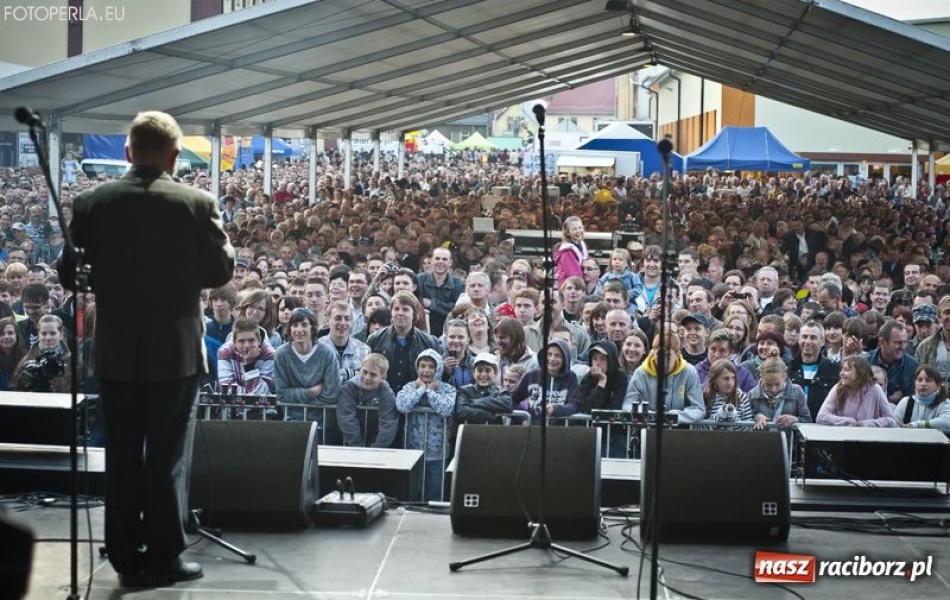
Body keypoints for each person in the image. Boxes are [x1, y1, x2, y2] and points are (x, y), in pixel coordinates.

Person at [58, 111, 234, 587]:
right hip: (174, 350)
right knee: (165, 456)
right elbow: (220, 273)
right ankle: (163, 555)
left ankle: (122, 555)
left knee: (121, 453)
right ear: (175, 156)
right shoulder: (196, 202)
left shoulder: (93, 201)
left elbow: (66, 273)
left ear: (128, 153)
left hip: (115, 348)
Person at [395, 349, 456, 501]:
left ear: (438, 369)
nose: (426, 370)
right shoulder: (410, 386)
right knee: (411, 495)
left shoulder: (447, 389)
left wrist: (430, 392)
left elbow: (446, 409)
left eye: (431, 367)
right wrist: (421, 389)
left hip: (437, 454)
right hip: (412, 452)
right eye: (422, 366)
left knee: (434, 496)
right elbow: (402, 405)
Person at [274, 307, 341, 427]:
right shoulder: (281, 354)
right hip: (292, 420)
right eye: (295, 325)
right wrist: (311, 392)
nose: (299, 330)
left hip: (322, 422)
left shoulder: (327, 353)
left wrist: (297, 399)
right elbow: (282, 394)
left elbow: (332, 395)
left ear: (312, 327)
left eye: (304, 325)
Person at [622, 332, 705, 424]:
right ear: (653, 353)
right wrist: (647, 415)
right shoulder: (641, 373)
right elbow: (627, 405)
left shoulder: (690, 372)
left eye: (668, 355)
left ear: (677, 354)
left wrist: (673, 417)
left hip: (679, 429)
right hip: (648, 428)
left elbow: (699, 409)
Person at [336, 353, 399, 447]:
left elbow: (388, 424)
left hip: (376, 442)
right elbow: (346, 418)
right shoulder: (349, 388)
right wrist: (357, 446)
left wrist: (377, 449)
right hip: (349, 442)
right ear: (359, 370)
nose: (367, 378)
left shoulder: (387, 393)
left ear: (383, 377)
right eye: (364, 372)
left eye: (373, 374)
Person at [511, 338, 580, 422]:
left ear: (565, 358)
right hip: (533, 430)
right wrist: (523, 416)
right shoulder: (532, 374)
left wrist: (555, 409)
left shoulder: (571, 377)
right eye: (549, 354)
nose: (551, 359)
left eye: (557, 355)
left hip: (560, 431)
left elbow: (573, 405)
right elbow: (513, 399)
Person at [817, 355, 895, 427]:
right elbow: (821, 416)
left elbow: (890, 420)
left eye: (846, 370)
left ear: (860, 373)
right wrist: (848, 421)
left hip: (870, 438)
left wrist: (866, 424)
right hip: (843, 437)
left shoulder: (875, 389)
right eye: (842, 369)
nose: (841, 373)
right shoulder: (838, 388)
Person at [749, 357, 812, 430]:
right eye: (768, 384)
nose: (773, 389)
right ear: (761, 377)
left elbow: (807, 420)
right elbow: (745, 417)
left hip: (788, 440)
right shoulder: (752, 394)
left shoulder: (797, 391)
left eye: (777, 384)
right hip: (762, 439)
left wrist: (795, 420)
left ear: (784, 377)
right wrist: (756, 417)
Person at [454, 352, 513, 424]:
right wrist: (490, 415)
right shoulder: (464, 390)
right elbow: (462, 411)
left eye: (488, 370)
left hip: (495, 433)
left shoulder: (501, 391)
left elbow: (508, 404)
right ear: (473, 372)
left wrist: (474, 402)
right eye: (479, 370)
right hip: (471, 433)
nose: (483, 374)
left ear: (495, 373)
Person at [894, 365, 950, 430]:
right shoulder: (905, 402)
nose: (923, 384)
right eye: (919, 380)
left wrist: (918, 425)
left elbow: (946, 422)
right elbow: (894, 425)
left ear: (938, 386)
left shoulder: (945, 403)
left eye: (928, 380)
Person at [702, 358, 753, 424]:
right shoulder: (706, 396)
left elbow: (748, 428)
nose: (730, 382)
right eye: (726, 378)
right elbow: (700, 428)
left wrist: (733, 418)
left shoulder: (742, 397)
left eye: (733, 378)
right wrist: (719, 416)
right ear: (715, 379)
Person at [554, 216, 588, 287]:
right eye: (574, 229)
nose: (578, 231)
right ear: (568, 233)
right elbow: (574, 274)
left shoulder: (581, 244)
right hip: (568, 285)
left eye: (580, 227)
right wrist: (582, 288)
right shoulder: (567, 251)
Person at [0, 315, 27, 390]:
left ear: (17, 335)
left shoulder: (26, 359)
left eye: (10, 333)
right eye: (2, 334)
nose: (6, 337)